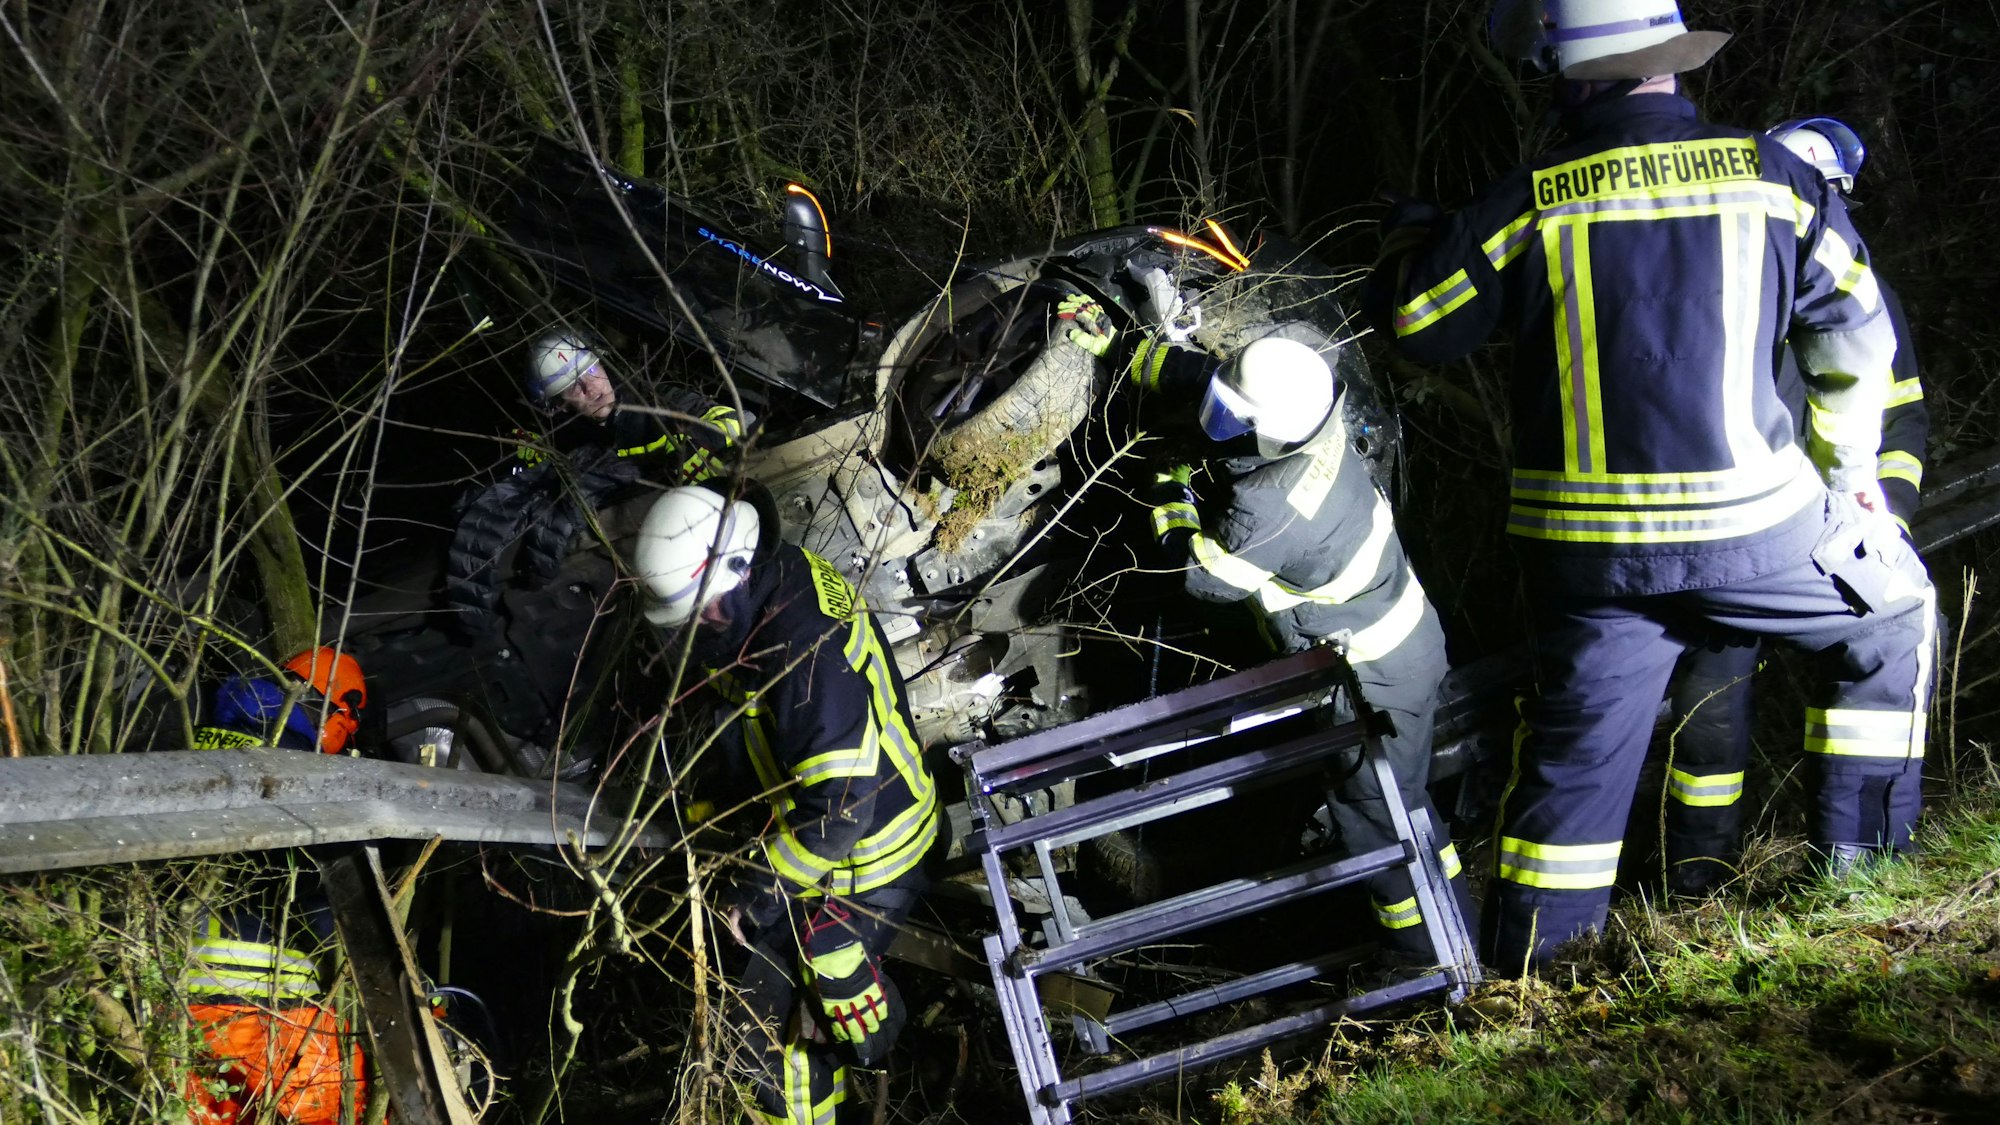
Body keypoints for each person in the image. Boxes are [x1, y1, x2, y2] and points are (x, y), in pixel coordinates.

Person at [1367, 0, 1936, 974]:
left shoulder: (1532, 199)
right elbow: (1855, 335)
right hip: (1756, 532)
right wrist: (1848, 485)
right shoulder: (1778, 182)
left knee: (1569, 787)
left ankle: (1533, 1005)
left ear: (1573, 78)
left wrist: (1409, 244)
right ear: (1668, 62)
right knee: (1893, 621)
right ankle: (1862, 888)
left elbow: (1419, 324)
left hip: (1587, 561)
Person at [1135, 321, 1467, 976]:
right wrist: (1133, 353)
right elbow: (1225, 382)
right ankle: (1448, 921)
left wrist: (1167, 490)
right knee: (1409, 801)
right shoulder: (1313, 405)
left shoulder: (1270, 508)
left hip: (1374, 682)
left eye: (1234, 418)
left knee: (1377, 820)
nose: (1218, 421)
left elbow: (1199, 576)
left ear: (1272, 431)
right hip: (1409, 641)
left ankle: (1425, 962)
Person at [1663, 116, 1933, 895]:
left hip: (1831, 536)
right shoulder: (1715, 281)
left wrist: (1889, 519)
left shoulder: (1861, 287)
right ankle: (1697, 891)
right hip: (1736, 536)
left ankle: (1857, 874)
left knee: (1877, 665)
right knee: (1708, 719)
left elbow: (1904, 413)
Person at [633, 485, 937, 1125]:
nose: (701, 627)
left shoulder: (801, 649)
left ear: (738, 573)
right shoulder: (777, 579)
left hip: (869, 852)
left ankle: (832, 1070)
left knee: (771, 1039)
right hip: (845, 831)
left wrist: (757, 896)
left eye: (706, 612)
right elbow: (765, 729)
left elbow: (842, 808)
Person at [445, 329, 755, 636]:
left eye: (592, 370)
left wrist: (685, 446)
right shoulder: (562, 440)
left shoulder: (656, 398)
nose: (590, 387)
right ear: (558, 404)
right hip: (636, 565)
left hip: (707, 535)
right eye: (572, 387)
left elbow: (732, 420)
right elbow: (507, 487)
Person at [183, 647, 370, 1125]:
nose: (348, 733)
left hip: (179, 1008)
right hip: (268, 1020)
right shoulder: (301, 780)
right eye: (349, 716)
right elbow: (331, 907)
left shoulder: (198, 749)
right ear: (332, 704)